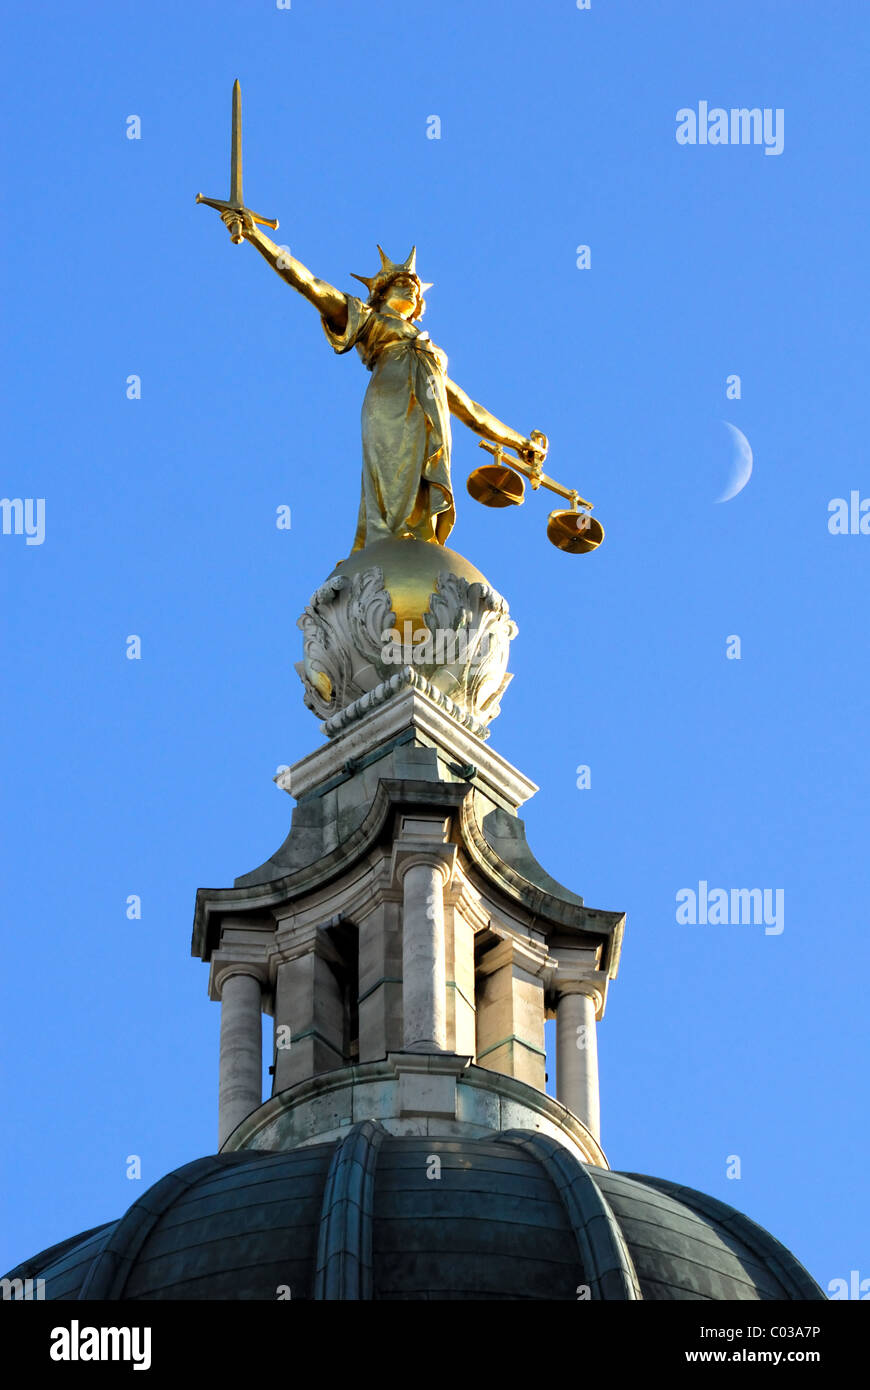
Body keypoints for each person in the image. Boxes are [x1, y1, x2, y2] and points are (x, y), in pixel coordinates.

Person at [220, 211, 545, 551]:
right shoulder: (371, 322)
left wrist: (520, 442)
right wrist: (257, 236)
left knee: (421, 480)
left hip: (430, 416)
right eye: (401, 282)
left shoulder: (431, 354)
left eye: (415, 285)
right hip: (390, 405)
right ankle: (389, 541)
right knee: (393, 472)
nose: (411, 285)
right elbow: (310, 285)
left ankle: (419, 538)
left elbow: (470, 409)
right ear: (382, 292)